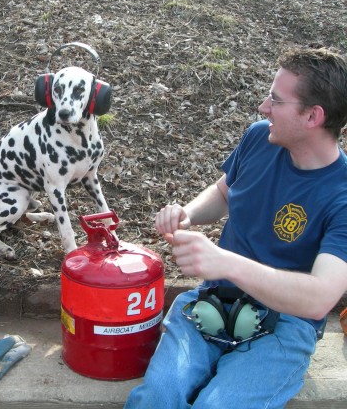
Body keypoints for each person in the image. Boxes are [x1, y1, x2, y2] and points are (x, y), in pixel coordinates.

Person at [125, 46, 347, 409]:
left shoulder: (342, 195)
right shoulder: (261, 138)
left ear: (313, 116)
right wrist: (187, 213)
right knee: (156, 399)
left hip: (285, 325)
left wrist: (226, 263)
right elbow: (224, 193)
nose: (263, 107)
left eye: (276, 100)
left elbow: (321, 296)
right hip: (212, 302)